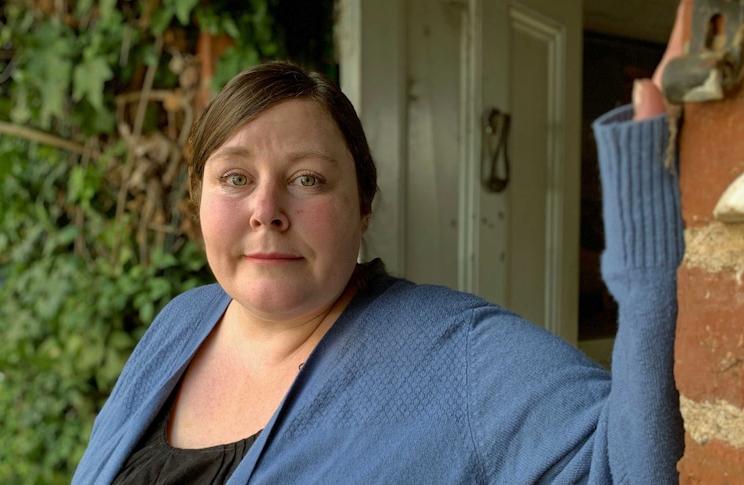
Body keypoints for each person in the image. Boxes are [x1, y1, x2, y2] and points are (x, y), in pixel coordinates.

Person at [73, 4, 688, 483]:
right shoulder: (180, 323)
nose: (266, 211)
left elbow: (629, 470)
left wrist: (647, 213)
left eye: (307, 179)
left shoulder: (461, 359)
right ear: (198, 200)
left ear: (363, 206)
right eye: (235, 178)